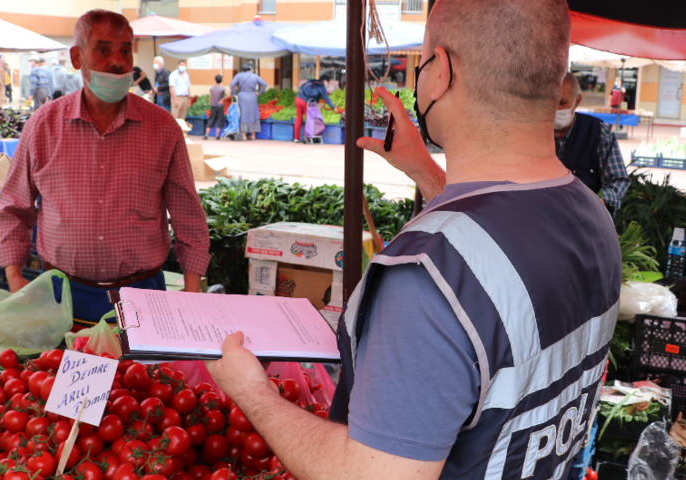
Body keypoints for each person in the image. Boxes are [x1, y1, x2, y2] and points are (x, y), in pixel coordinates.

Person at [207, 2, 620, 480]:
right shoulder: (591, 214)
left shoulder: (428, 279)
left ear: (439, 72)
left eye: (421, 63)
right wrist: (424, 169)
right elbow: (500, 246)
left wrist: (253, 392)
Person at [0, 9, 210, 329]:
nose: (118, 61)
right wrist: (14, 276)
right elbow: (14, 206)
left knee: (140, 380)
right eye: (103, 49)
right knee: (60, 377)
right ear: (77, 57)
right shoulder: (43, 125)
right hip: (60, 293)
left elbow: (187, 213)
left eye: (125, 50)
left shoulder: (162, 128)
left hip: (142, 294)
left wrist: (192, 289)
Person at [555, 73, 629, 215]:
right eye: (552, 102)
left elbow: (618, 180)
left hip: (585, 218)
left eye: (563, 103)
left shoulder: (599, 133)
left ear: (577, 101)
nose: (557, 109)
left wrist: (599, 202)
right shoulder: (534, 133)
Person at [294, 73, 338, 143]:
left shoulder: (311, 81)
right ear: (325, 81)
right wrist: (333, 107)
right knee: (309, 119)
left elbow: (301, 87)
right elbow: (326, 98)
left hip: (298, 98)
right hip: (306, 101)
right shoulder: (321, 85)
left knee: (299, 118)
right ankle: (307, 137)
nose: (327, 85)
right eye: (328, 83)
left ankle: (296, 138)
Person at [229, 62, 267, 140]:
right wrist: (259, 93)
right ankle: (253, 135)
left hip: (242, 96)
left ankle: (244, 135)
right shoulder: (255, 76)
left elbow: (232, 84)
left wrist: (233, 94)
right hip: (253, 96)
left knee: (243, 114)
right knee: (254, 114)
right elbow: (264, 84)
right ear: (250, 69)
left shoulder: (238, 75)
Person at [206, 74, 226, 140]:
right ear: (221, 81)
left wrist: (211, 103)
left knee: (211, 119)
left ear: (215, 80)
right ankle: (217, 135)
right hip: (220, 106)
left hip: (213, 106)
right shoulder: (222, 88)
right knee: (219, 120)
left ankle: (206, 135)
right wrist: (222, 99)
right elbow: (229, 95)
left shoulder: (212, 88)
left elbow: (210, 96)